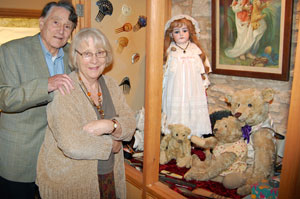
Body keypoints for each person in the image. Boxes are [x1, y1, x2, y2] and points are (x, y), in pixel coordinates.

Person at [36, 28, 136, 199]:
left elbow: (130, 123)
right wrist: (111, 144)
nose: (95, 60)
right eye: (87, 54)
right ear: (76, 56)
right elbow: (71, 144)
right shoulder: (65, 90)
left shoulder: (111, 84)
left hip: (109, 175)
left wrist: (109, 125)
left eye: (100, 53)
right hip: (71, 182)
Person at [0, 1, 77, 198]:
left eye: (68, 26)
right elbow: (5, 99)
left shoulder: (75, 56)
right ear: (41, 23)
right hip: (20, 157)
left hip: (59, 158)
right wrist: (46, 85)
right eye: (56, 22)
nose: (61, 30)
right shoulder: (10, 51)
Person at [162, 15, 212, 138]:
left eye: (185, 31)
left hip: (193, 89)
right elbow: (164, 71)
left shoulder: (195, 50)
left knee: (192, 110)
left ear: (190, 32)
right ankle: (174, 137)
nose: (181, 34)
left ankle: (194, 137)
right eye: (177, 32)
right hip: (175, 89)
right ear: (171, 34)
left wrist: (204, 83)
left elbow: (202, 70)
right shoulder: (170, 51)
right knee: (177, 110)